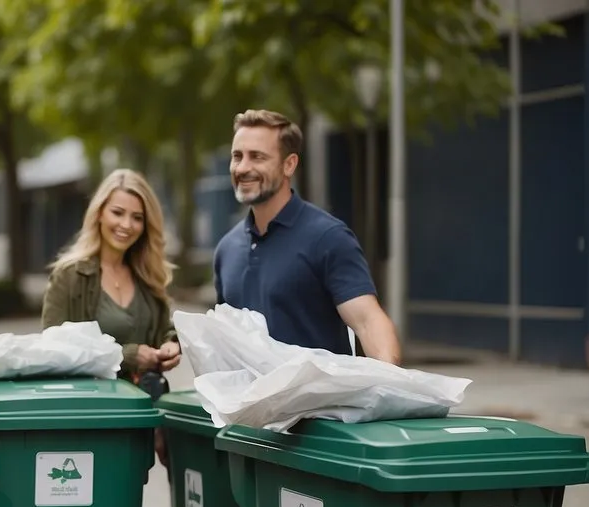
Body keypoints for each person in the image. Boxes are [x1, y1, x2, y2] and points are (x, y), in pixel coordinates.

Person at [214, 109, 402, 363]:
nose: (243, 167)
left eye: (257, 157)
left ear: (289, 164)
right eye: (238, 157)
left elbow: (368, 322)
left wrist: (390, 386)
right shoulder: (226, 249)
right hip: (246, 403)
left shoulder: (328, 237)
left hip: (321, 403)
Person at [41, 168, 182, 465]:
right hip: (89, 423)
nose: (126, 225)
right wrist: (129, 356)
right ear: (99, 213)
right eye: (118, 212)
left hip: (138, 423)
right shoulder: (70, 276)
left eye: (137, 217)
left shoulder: (148, 277)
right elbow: (53, 352)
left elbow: (164, 329)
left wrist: (171, 344)